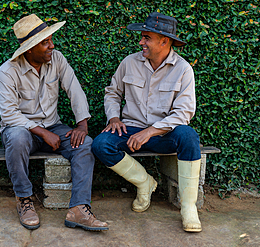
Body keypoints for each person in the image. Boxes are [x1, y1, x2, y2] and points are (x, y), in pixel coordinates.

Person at [92, 12, 202, 232]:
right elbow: (113, 93)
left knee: (189, 136)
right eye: (142, 37)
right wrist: (114, 117)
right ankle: (144, 183)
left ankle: (188, 207)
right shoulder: (129, 63)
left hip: (164, 134)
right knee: (100, 144)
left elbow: (184, 113)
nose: (141, 42)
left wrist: (150, 132)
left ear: (164, 41)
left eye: (146, 37)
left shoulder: (183, 69)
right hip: (130, 129)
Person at [0, 14, 108, 231]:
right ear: (30, 49)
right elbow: (9, 114)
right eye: (45, 42)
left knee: (85, 144)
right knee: (17, 138)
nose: (52, 45)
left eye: (50, 39)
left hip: (53, 126)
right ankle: (24, 199)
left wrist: (82, 125)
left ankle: (78, 209)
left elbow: (74, 89)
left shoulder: (56, 59)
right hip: (22, 130)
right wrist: (42, 132)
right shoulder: (7, 72)